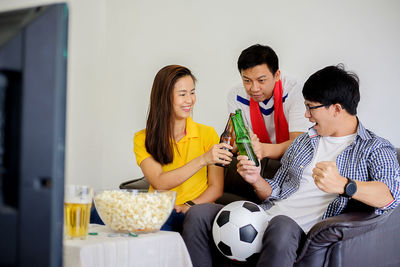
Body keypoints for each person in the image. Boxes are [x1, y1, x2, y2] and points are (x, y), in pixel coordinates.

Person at [182, 64, 400, 267]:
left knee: (282, 225)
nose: (306, 115)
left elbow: (391, 196)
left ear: (336, 109)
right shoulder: (304, 142)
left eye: (311, 108)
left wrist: (344, 185)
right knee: (198, 215)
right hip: (265, 217)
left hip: (297, 232)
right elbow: (274, 192)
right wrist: (256, 179)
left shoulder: (374, 148)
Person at [133, 65, 233, 232]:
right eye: (182, 94)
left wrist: (189, 206)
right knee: (95, 212)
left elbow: (216, 188)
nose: (190, 100)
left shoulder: (207, 134)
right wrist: (203, 159)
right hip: (158, 212)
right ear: (164, 98)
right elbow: (160, 182)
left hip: (194, 212)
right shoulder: (143, 138)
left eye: (192, 92)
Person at [228, 44, 311, 159]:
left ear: (276, 75)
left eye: (261, 80)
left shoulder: (296, 90)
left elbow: (299, 144)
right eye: (247, 81)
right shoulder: (236, 95)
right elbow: (239, 142)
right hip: (256, 162)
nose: (254, 88)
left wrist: (263, 149)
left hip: (293, 161)